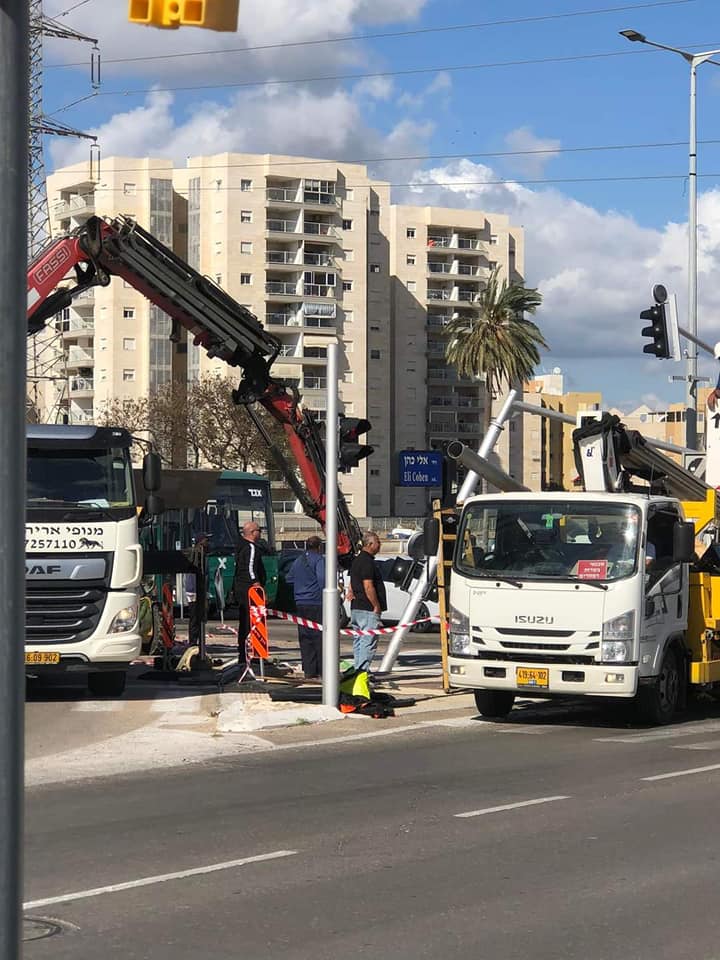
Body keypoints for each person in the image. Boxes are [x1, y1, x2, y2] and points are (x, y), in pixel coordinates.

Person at [287, 536, 325, 680]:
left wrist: (301, 586)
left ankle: (309, 670)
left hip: (300, 602)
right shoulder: (319, 560)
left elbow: (289, 578)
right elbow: (322, 579)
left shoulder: (298, 561)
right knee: (319, 637)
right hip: (315, 602)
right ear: (319, 547)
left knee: (305, 637)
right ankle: (322, 669)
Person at [349, 530, 386, 673]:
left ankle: (358, 670)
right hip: (367, 608)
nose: (380, 545)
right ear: (370, 544)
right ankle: (362, 672)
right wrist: (376, 606)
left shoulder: (357, 561)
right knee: (368, 642)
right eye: (378, 542)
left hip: (356, 607)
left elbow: (352, 582)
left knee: (359, 640)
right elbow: (368, 586)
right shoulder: (367, 562)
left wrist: (350, 592)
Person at [232, 520, 266, 666]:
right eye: (259, 530)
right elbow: (250, 567)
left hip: (241, 589)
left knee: (245, 623)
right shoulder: (251, 548)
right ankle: (254, 655)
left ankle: (244, 655)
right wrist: (256, 584)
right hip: (250, 590)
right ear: (252, 533)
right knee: (254, 623)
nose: (260, 533)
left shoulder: (239, 547)